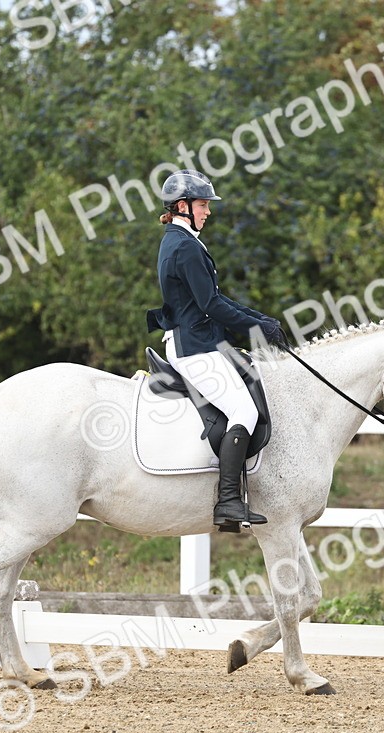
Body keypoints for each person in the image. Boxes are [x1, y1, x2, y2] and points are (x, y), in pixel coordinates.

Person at [146, 169, 286, 531]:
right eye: (203, 204)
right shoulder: (184, 246)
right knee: (244, 409)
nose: (208, 211)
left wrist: (261, 319)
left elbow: (215, 299)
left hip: (198, 341)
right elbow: (212, 305)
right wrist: (258, 328)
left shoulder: (181, 241)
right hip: (194, 347)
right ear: (182, 206)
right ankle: (227, 502)